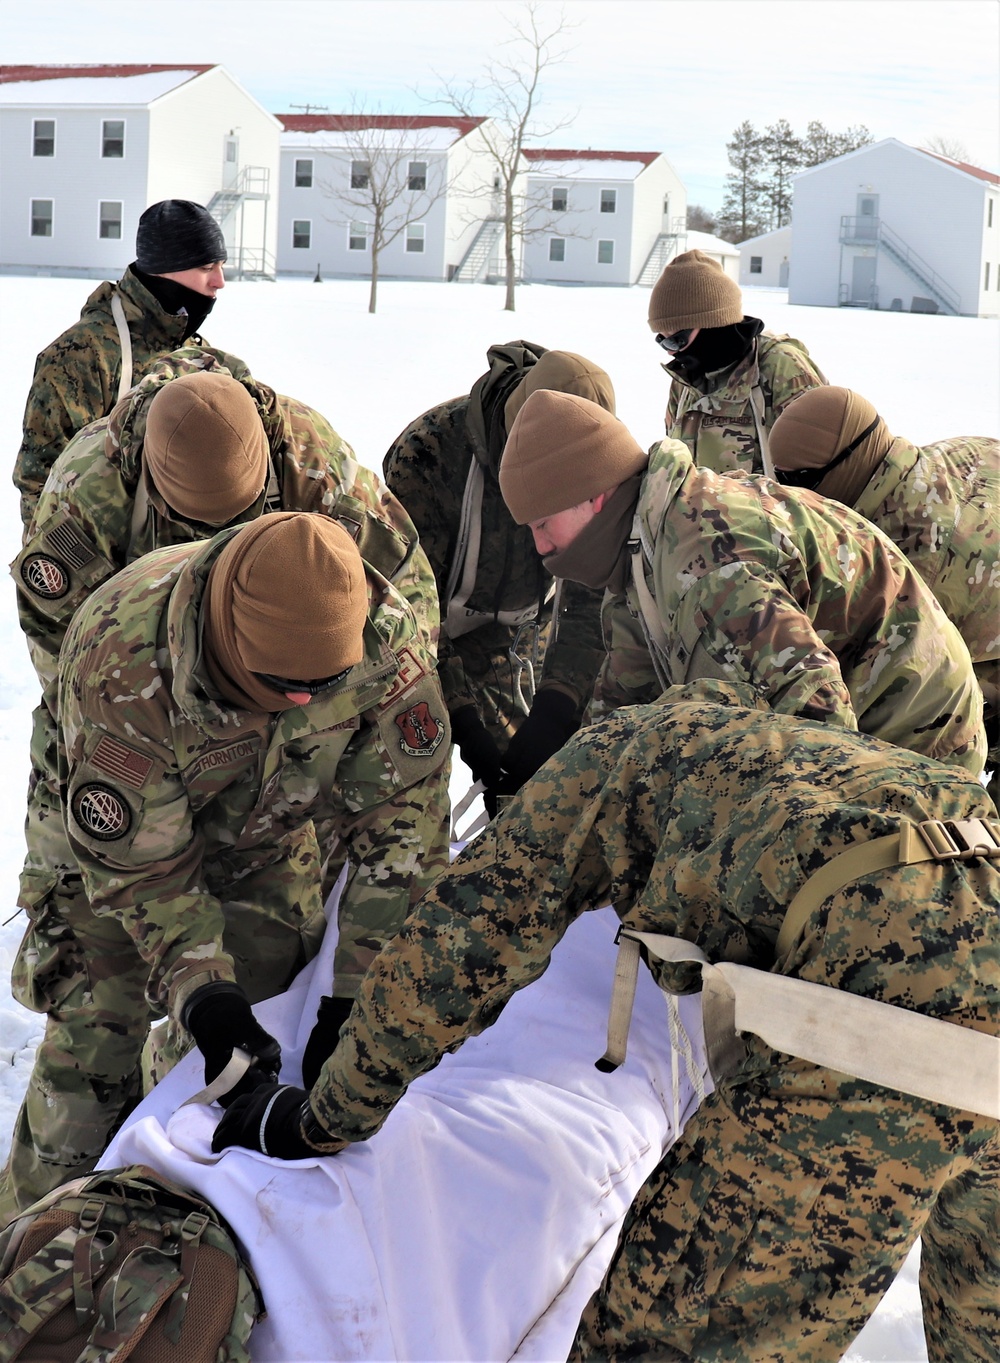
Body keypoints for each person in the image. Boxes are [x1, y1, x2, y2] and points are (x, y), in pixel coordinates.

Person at [213, 679, 1000, 1363]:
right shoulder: (806, 762)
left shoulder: (610, 762)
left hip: (890, 1023)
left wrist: (323, 1117)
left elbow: (460, 943)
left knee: (664, 1336)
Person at [0, 512, 451, 1222]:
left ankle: (177, 1207)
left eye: (323, 686)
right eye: (284, 687)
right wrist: (209, 1001)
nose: (306, 703)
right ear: (232, 650)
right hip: (116, 864)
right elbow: (148, 876)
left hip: (267, 836)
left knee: (273, 1029)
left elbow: (405, 832)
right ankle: (23, 1255)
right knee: (88, 1069)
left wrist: (354, 997)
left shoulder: (384, 649)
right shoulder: (122, 660)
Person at [497, 389, 986, 777]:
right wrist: (577, 782)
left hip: (914, 737)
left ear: (595, 497)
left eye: (543, 525)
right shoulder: (643, 546)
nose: (541, 549)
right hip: (860, 725)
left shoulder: (709, 564)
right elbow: (631, 693)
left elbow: (815, 724)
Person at [383, 343, 611, 813]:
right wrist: (462, 719)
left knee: (540, 792)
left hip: (517, 641)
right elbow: (402, 604)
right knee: (406, 781)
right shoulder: (429, 455)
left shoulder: (597, 456)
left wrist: (559, 699)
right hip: (417, 644)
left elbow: (592, 592)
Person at [769, 384, 1000, 797]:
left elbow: (914, 691)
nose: (792, 494)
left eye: (799, 481)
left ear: (847, 464)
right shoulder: (956, 454)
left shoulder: (907, 561)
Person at [14, 199, 226, 530]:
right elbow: (40, 485)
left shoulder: (195, 354)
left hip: (182, 568)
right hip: (109, 574)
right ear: (164, 269)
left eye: (220, 266)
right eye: (206, 268)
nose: (219, 282)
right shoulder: (81, 355)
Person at [648, 249, 826, 476]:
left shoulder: (780, 369)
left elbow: (822, 474)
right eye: (663, 341)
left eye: (677, 339)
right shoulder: (685, 382)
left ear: (713, 322)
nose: (673, 353)